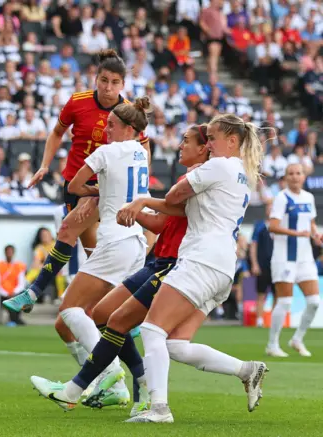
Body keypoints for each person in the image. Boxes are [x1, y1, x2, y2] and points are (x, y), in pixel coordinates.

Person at [117, 113, 268, 423]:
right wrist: (150, 203)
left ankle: (159, 409)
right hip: (223, 267)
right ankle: (246, 370)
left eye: (212, 138)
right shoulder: (242, 172)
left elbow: (174, 196)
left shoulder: (218, 165)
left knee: (151, 329)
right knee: (175, 344)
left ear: (232, 141)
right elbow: (180, 206)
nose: (208, 144)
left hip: (203, 258)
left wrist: (144, 199)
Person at [4, 49, 150, 316]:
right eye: (104, 80)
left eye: (115, 82)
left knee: (67, 232)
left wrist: (99, 194)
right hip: (75, 184)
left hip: (101, 190)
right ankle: (123, 314)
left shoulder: (128, 113)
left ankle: (35, 291)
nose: (108, 88)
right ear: (95, 79)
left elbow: (143, 152)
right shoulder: (78, 102)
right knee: (96, 254)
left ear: (123, 85)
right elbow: (57, 132)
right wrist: (45, 165)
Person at [31, 97, 153, 408]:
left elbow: (73, 185)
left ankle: (109, 373)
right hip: (136, 241)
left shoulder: (106, 152)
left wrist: (94, 191)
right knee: (109, 319)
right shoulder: (140, 151)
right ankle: (140, 382)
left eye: (111, 125)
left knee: (70, 309)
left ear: (127, 128)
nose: (105, 129)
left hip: (113, 240)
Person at [266, 163, 322, 357]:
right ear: (286, 177)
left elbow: (311, 222)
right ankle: (272, 344)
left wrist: (316, 234)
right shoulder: (281, 198)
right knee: (285, 302)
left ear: (303, 176)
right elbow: (272, 226)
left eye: (298, 173)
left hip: (305, 257)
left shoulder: (309, 197)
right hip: (285, 258)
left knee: (314, 301)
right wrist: (296, 233)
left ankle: (297, 339)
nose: (295, 177)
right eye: (291, 174)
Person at [249, 202, 275, 327]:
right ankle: (260, 320)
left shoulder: (281, 226)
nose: (271, 210)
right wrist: (255, 264)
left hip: (277, 265)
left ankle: (275, 322)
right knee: (261, 293)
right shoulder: (259, 226)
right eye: (269, 208)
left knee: (278, 295)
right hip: (263, 265)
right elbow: (253, 245)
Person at [0, 245, 27, 326]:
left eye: (11, 252)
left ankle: (15, 320)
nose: (9, 253)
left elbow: (21, 284)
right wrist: (6, 293)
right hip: (3, 293)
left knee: (20, 298)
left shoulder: (19, 266)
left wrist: (13, 292)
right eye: (8, 252)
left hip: (15, 293)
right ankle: (15, 320)